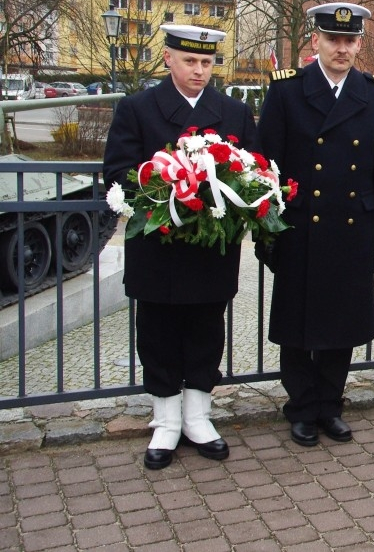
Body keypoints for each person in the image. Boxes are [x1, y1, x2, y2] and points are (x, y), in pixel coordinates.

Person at [103, 25, 258, 470]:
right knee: (159, 332)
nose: (199, 71)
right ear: (168, 58)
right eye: (190, 61)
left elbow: (253, 172)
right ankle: (166, 421)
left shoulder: (232, 112)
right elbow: (118, 174)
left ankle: (198, 417)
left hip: (211, 249)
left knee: (206, 330)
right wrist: (166, 195)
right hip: (159, 249)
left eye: (207, 63)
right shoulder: (137, 109)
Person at [257, 2, 374, 447]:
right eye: (333, 39)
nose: (342, 48)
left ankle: (330, 405)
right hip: (300, 227)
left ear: (359, 43)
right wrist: (267, 230)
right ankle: (301, 407)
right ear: (314, 40)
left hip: (352, 229)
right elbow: (266, 170)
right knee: (298, 325)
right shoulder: (286, 92)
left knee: (342, 324)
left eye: (350, 40)